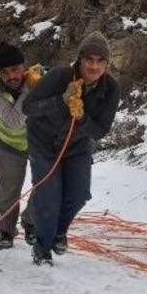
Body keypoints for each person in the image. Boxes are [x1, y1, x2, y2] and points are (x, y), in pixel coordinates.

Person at [22, 31, 121, 265]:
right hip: (43, 141)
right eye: (89, 60)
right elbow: (28, 108)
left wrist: (82, 117)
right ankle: (42, 248)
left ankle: (59, 231)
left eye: (100, 61)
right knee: (48, 194)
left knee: (78, 194)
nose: (94, 66)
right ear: (80, 60)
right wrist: (61, 101)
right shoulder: (59, 76)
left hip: (77, 143)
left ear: (106, 64)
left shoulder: (111, 89)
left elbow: (100, 130)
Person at [0, 42, 44, 249]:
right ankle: (6, 232)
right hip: (8, 142)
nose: (11, 76)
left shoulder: (41, 77)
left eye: (15, 69)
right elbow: (13, 121)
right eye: (4, 72)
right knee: (8, 190)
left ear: (24, 66)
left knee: (45, 184)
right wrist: (30, 90)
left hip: (38, 141)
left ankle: (31, 222)